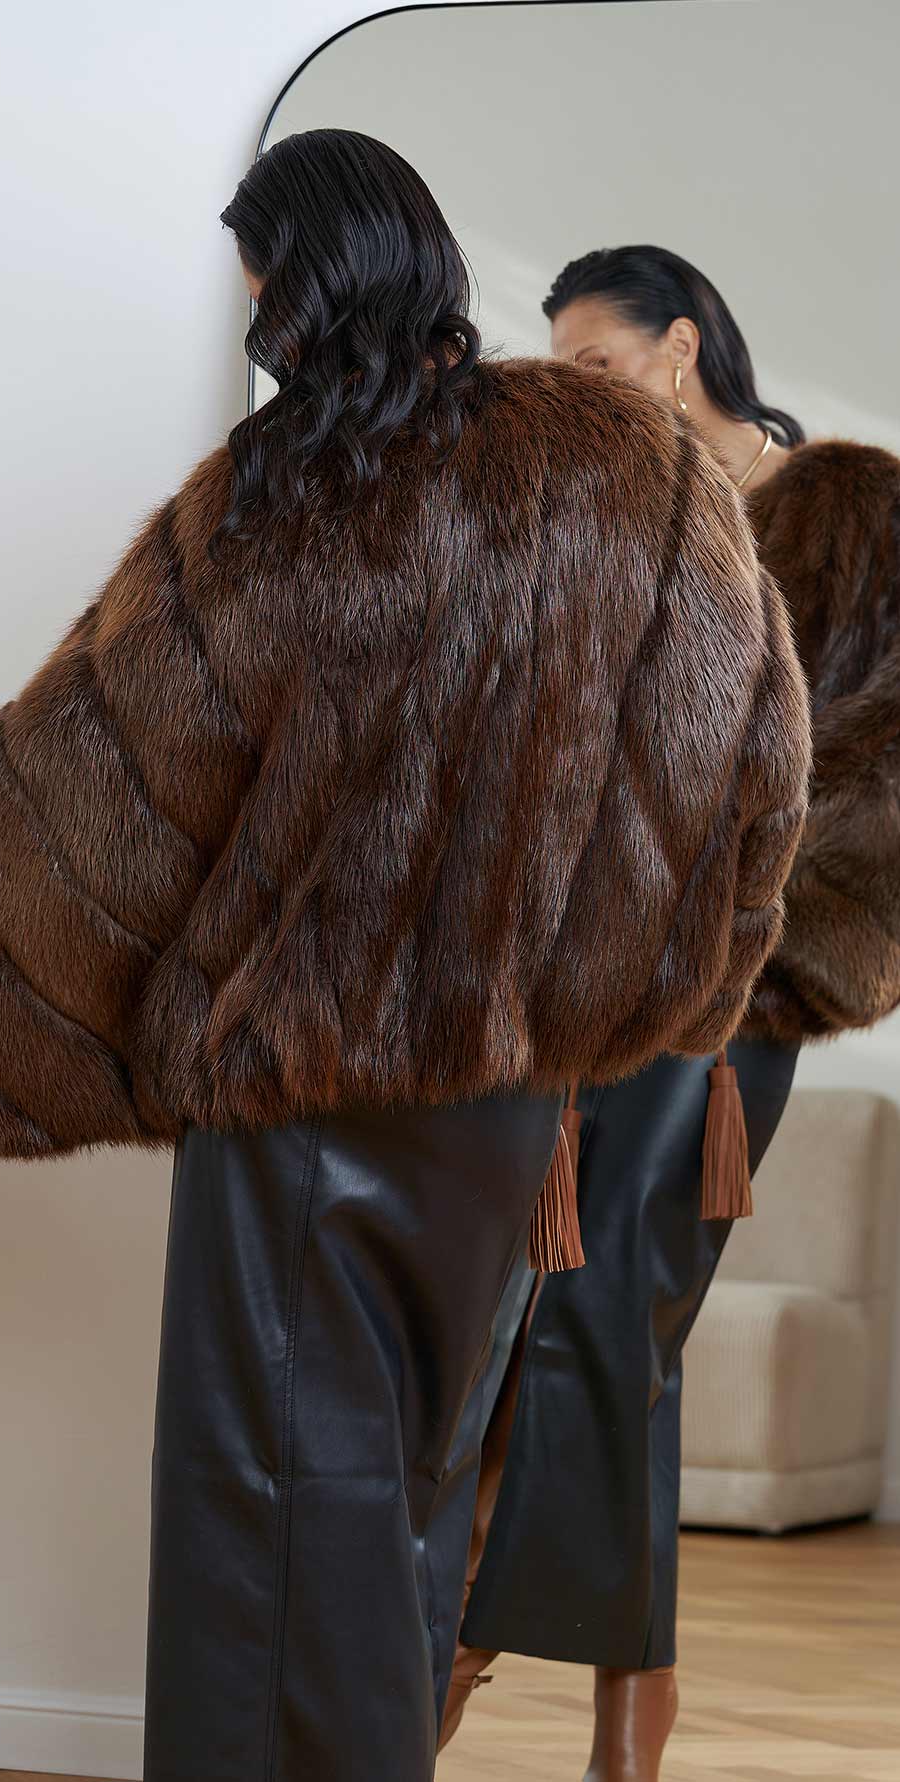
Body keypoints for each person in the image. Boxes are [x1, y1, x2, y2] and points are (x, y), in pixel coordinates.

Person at [0, 161, 810, 1781]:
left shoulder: (297, 479)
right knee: (406, 1510)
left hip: (306, 1097)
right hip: (509, 1112)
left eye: (260, 291)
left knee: (270, 1520)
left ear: (302, 284)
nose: (258, 324)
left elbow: (112, 760)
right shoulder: (628, 464)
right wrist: (652, 993)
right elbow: (753, 754)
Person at [442, 243, 900, 1782]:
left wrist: (744, 916)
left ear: (682, 346)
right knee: (595, 1331)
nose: (573, 390)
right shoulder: (614, 520)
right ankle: (628, 1720)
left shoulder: (850, 511)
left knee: (595, 1317)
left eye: (594, 361)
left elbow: (875, 778)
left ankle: (458, 1653)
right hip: (587, 999)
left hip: (730, 1007)